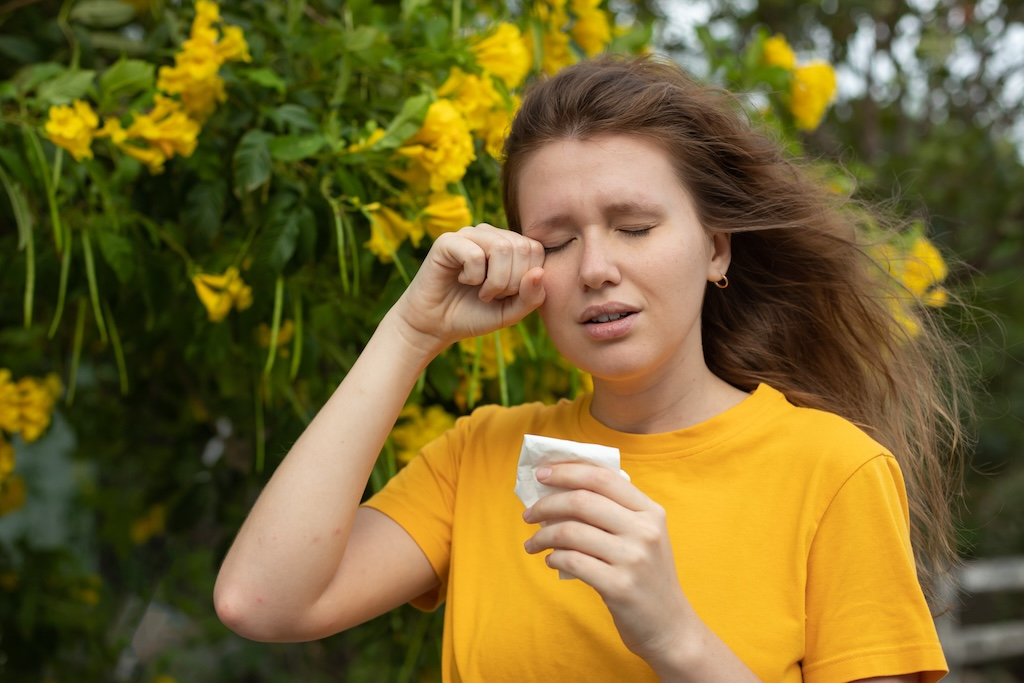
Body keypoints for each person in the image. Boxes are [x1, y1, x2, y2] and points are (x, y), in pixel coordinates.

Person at [214, 54, 969, 681]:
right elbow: (260, 600)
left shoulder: (833, 470)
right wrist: (410, 332)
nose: (597, 268)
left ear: (716, 247)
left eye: (634, 226)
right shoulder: (479, 457)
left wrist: (675, 635)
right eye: (556, 240)